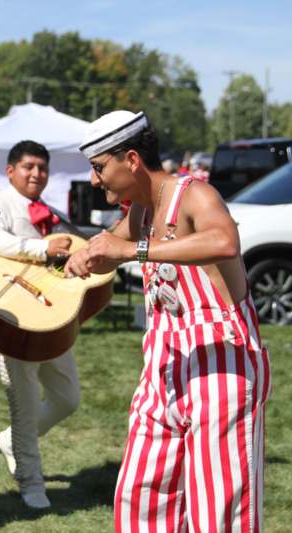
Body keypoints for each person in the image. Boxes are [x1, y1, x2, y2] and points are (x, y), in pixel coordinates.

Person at [67, 111, 271, 532]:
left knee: (218, 511)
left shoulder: (194, 194)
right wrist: (80, 252)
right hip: (164, 364)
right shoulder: (141, 211)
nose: (93, 179)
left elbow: (224, 241)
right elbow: (110, 244)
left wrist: (132, 252)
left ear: (132, 160)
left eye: (99, 166)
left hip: (222, 364)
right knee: (141, 496)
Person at [0, 140, 77, 510]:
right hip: (10, 317)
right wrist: (42, 250)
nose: (37, 174)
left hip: (51, 315)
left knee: (68, 398)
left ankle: (11, 441)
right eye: (29, 166)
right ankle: (31, 482)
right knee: (25, 402)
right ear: (10, 170)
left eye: (43, 168)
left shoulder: (51, 212)